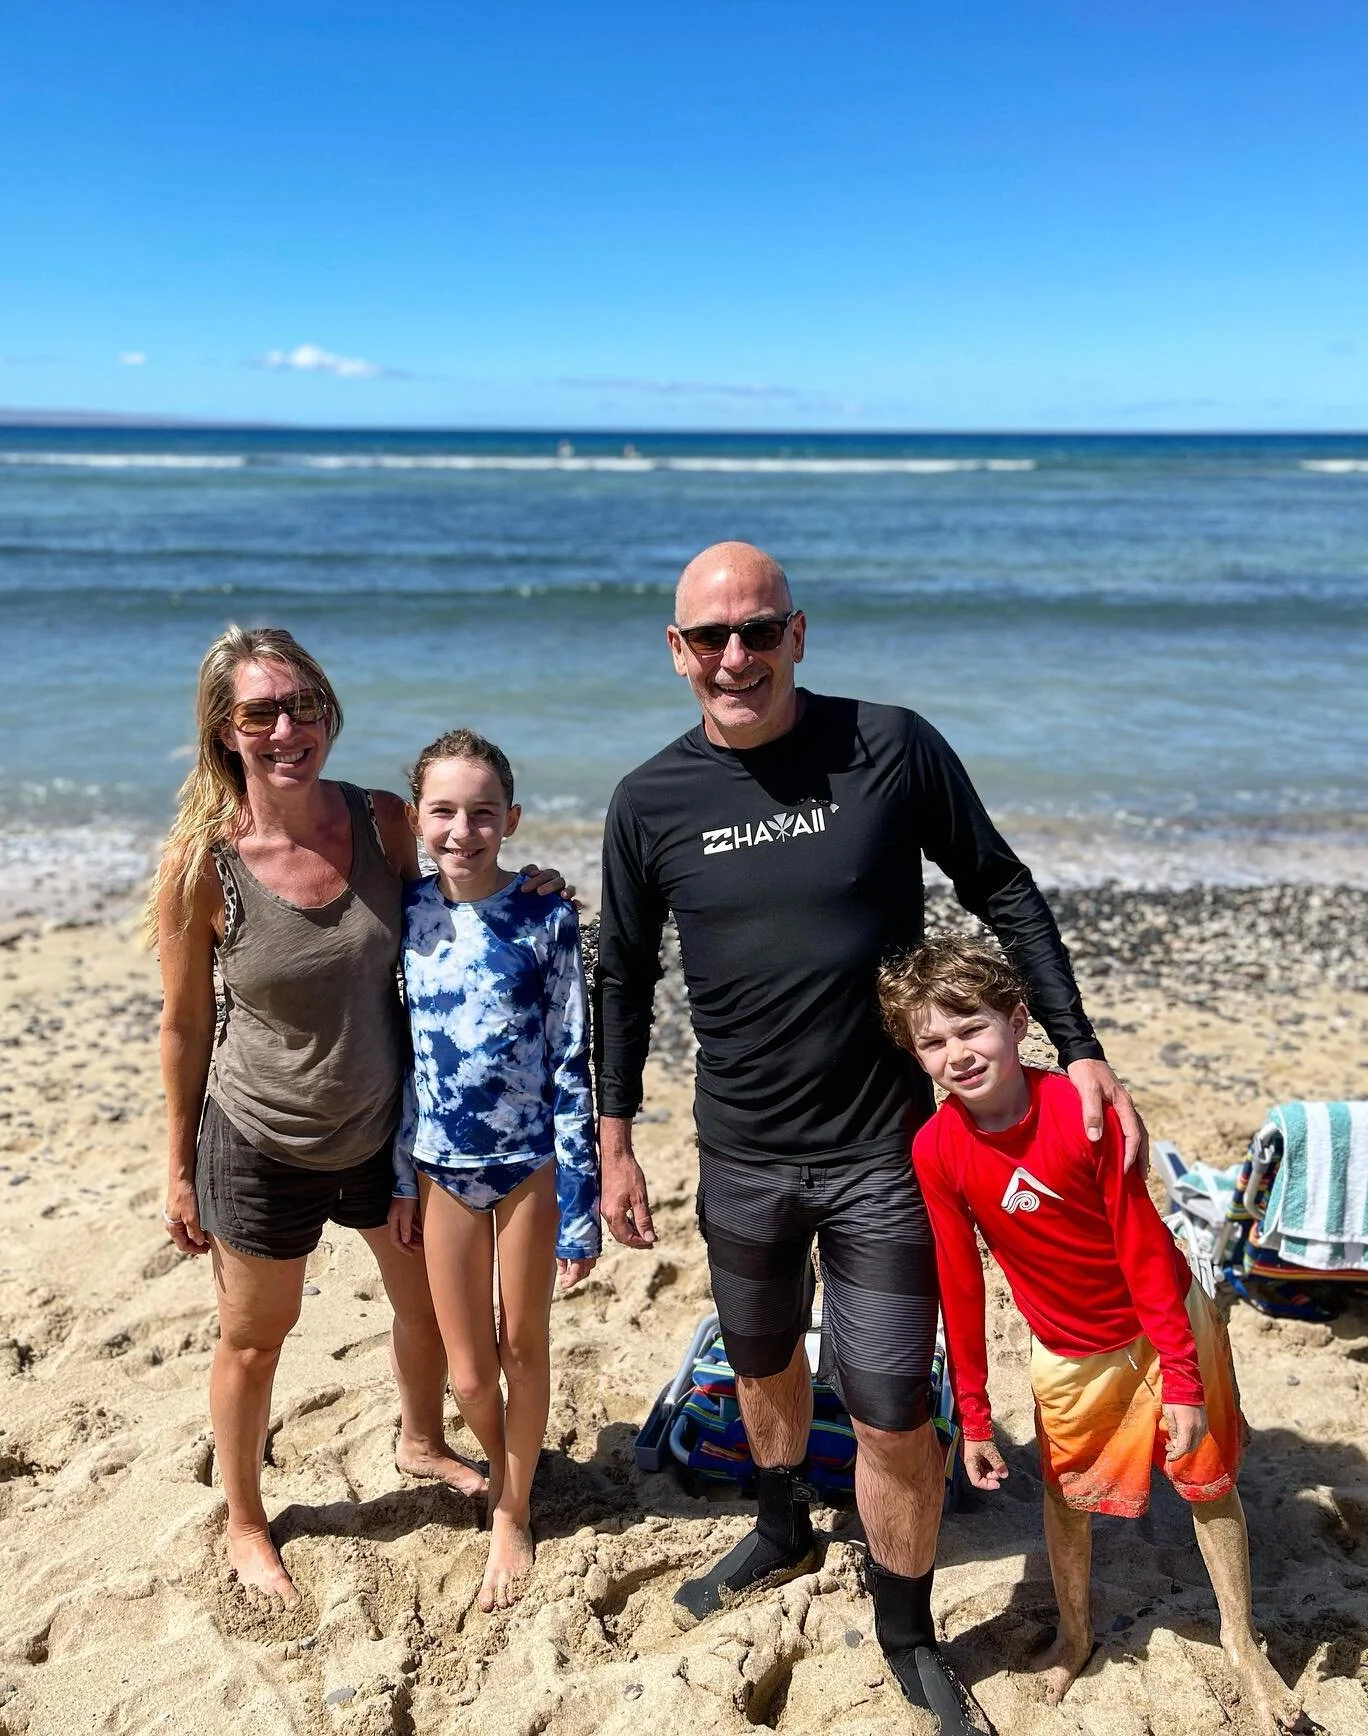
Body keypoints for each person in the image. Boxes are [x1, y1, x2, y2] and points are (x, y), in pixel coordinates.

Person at [594, 542, 1143, 1732]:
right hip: (741, 1150)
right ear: (677, 652)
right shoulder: (648, 800)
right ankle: (781, 1525)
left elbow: (1001, 884)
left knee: (894, 1407)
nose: (735, 656)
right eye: (709, 637)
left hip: (886, 1154)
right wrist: (615, 1135)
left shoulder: (888, 745)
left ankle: (906, 1631)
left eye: (758, 630)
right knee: (760, 1361)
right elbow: (623, 973)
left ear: (798, 634)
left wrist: (1080, 1044)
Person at [150, 627, 566, 1609]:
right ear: (224, 731)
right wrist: (176, 1167)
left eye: (304, 706)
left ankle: (420, 1440)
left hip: (385, 1133)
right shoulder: (202, 865)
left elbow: (451, 912)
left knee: (427, 1313)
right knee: (257, 1338)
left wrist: (529, 894)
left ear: (328, 713)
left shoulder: (381, 821)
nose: (286, 730)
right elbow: (184, 1025)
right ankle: (246, 1522)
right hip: (260, 1138)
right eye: (260, 713)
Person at [879, 934, 1305, 1736]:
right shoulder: (937, 1148)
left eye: (972, 1028)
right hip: (1066, 1346)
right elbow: (960, 1286)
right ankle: (1076, 1636)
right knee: (1067, 1496)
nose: (956, 1054)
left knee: (1206, 1479)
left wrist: (1182, 1377)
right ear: (914, 1053)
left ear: (1016, 1021)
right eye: (932, 1042)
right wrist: (975, 1415)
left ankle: (1241, 1641)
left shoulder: (1083, 1114)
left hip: (1163, 1318)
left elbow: (1143, 1247)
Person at [387, 729, 599, 1613]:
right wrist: (401, 1177)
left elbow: (572, 1063)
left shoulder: (547, 917)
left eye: (482, 813)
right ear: (416, 819)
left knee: (524, 1345)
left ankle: (512, 1508)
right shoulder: (402, 913)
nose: (462, 830)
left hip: (529, 1169)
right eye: (443, 811)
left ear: (511, 820)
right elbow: (401, 1060)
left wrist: (581, 1207)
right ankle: (505, 1462)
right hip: (441, 1169)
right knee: (470, 1374)